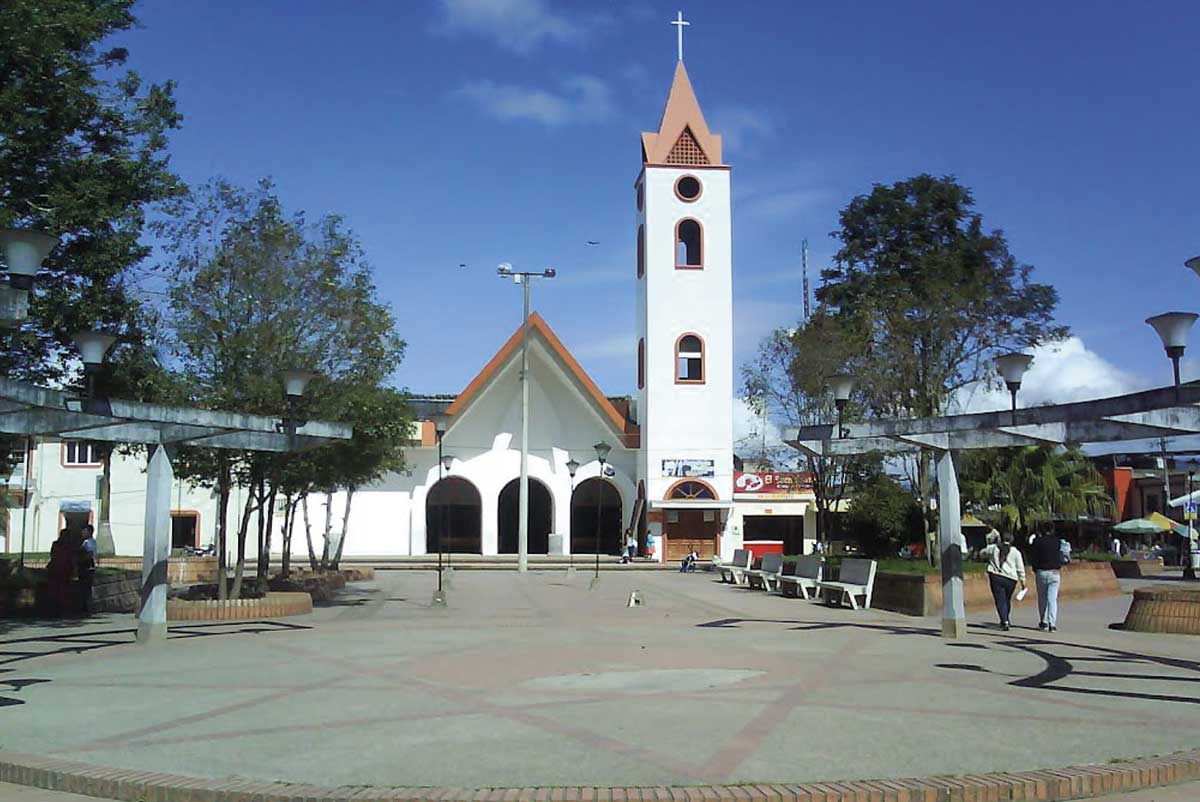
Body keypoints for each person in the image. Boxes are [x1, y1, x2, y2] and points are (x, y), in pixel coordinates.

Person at [981, 532, 1026, 631]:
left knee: (1000, 599)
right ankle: (1005, 618)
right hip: (1011, 578)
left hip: (996, 576)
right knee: (1007, 599)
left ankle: (1004, 620)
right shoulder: (1015, 552)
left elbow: (982, 553)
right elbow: (1020, 567)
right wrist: (1023, 580)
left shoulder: (993, 548)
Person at [1030, 528, 1064, 632]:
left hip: (1041, 571)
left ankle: (1043, 621)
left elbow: (1034, 556)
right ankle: (1052, 624)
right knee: (1052, 599)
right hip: (1054, 572)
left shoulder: (1038, 541)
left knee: (1042, 598)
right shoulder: (1057, 541)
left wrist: (1034, 568)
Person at [46, 528, 75, 613]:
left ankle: (54, 605)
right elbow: (71, 559)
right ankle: (61, 606)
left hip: (56, 569)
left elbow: (53, 555)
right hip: (64, 570)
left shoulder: (56, 544)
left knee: (55, 588)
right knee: (63, 589)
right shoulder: (69, 546)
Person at [77, 523, 97, 613]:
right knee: (87, 588)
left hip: (87, 568)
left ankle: (86, 607)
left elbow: (89, 555)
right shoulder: (92, 542)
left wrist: (80, 560)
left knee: (85, 588)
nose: (82, 533)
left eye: (84, 531)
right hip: (89, 568)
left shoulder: (87, 543)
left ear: (89, 532)